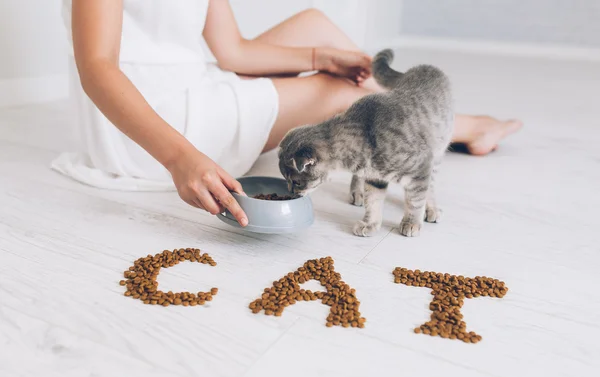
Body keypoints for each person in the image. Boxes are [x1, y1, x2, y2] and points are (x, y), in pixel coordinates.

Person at [56, 0, 522, 228]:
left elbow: (232, 52)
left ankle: (433, 125)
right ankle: (455, 128)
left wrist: (321, 56)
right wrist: (181, 158)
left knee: (317, 28)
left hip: (195, 82)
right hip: (148, 123)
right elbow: (97, 69)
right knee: (340, 94)